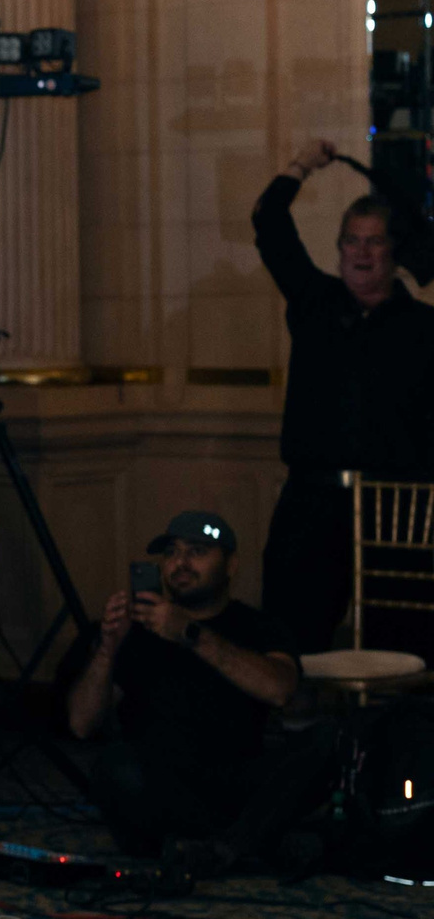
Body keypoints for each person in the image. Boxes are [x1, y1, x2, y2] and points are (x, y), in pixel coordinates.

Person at [67, 512, 329, 876]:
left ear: (230, 565)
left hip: (239, 777)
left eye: (197, 551)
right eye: (172, 553)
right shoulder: (139, 631)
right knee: (115, 767)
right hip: (166, 783)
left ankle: (220, 845)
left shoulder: (257, 626)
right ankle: (250, 843)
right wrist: (108, 647)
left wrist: (190, 633)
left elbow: (280, 690)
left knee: (330, 742)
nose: (180, 563)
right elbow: (81, 724)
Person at [251, 142, 434, 651]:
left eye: (374, 242)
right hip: (312, 498)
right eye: (351, 241)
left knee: (401, 638)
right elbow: (268, 223)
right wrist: (299, 167)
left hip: (397, 501)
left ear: (393, 253)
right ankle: (297, 722)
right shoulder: (314, 304)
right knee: (292, 625)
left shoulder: (423, 328)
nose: (360, 252)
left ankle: (387, 726)